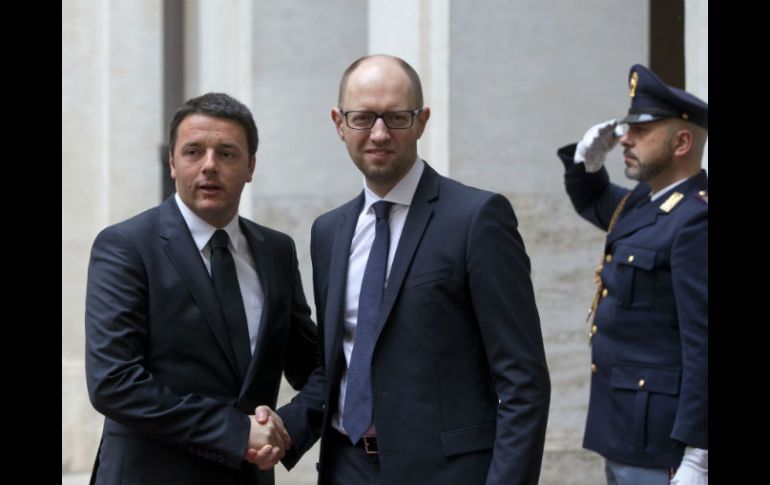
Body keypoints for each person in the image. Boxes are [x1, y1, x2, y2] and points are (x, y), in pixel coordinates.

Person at [274, 54, 551, 485]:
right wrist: (281, 429)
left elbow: (523, 382)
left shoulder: (477, 219)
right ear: (339, 123)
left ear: (421, 121)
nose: (379, 133)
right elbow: (338, 366)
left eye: (396, 117)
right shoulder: (328, 232)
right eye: (363, 117)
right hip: (346, 469)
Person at [85, 92, 318, 485]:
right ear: (172, 163)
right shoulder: (126, 246)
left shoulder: (276, 251)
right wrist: (236, 432)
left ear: (250, 166)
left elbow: (314, 367)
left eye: (227, 153)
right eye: (193, 152)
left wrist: (287, 429)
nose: (210, 165)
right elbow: (114, 382)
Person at [557, 64, 708, 485]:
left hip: (665, 442)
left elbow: (704, 344)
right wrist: (585, 163)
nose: (625, 138)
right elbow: (596, 203)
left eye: (641, 131)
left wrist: (699, 453)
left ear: (681, 143)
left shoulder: (695, 221)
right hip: (626, 429)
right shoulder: (646, 202)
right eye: (628, 129)